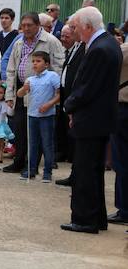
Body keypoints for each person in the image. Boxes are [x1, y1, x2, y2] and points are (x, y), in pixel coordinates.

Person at [61, 7, 121, 234]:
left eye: (76, 27)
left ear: (87, 26)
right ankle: (97, 218)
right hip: (99, 119)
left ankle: (85, 219)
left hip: (91, 119)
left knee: (85, 171)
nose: (74, 32)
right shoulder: (108, 44)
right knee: (94, 171)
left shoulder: (99, 49)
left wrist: (69, 106)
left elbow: (87, 88)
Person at [2, 13, 64, 174]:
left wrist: (52, 95)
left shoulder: (50, 42)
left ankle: (32, 165)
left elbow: (58, 68)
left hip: (41, 93)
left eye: (30, 25)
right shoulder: (19, 42)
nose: (26, 28)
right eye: (24, 25)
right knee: (20, 128)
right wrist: (10, 94)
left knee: (36, 131)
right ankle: (19, 161)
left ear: (38, 25)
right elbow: (11, 69)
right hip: (22, 90)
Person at [16, 51, 60, 182]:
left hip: (47, 116)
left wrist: (49, 104)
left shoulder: (52, 76)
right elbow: (19, 94)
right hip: (32, 115)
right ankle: (31, 170)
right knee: (32, 144)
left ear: (46, 64)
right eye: (33, 61)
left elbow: (59, 94)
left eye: (38, 61)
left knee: (47, 144)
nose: (35, 63)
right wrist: (24, 89)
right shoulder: (30, 79)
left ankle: (48, 172)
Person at [55, 25, 84, 168]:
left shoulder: (82, 48)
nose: (63, 39)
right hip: (63, 92)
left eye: (67, 36)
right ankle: (63, 151)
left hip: (73, 92)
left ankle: (71, 154)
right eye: (62, 36)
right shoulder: (65, 50)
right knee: (62, 123)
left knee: (70, 123)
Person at [108, 38, 128, 225]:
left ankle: (124, 209)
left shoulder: (124, 50)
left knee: (121, 161)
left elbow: (111, 56)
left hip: (124, 109)